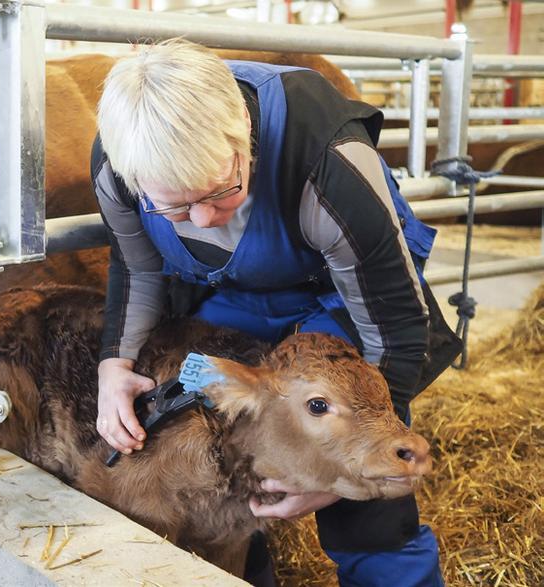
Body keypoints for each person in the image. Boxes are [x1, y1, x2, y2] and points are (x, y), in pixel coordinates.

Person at [91, 40, 461, 587]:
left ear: (242, 130)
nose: (203, 219)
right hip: (232, 295)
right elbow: (138, 268)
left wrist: (336, 478)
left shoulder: (328, 161)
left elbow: (397, 335)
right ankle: (249, 568)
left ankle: (390, 569)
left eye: (221, 191)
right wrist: (114, 366)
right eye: (172, 206)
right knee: (211, 421)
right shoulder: (121, 162)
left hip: (342, 299)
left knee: (342, 435)